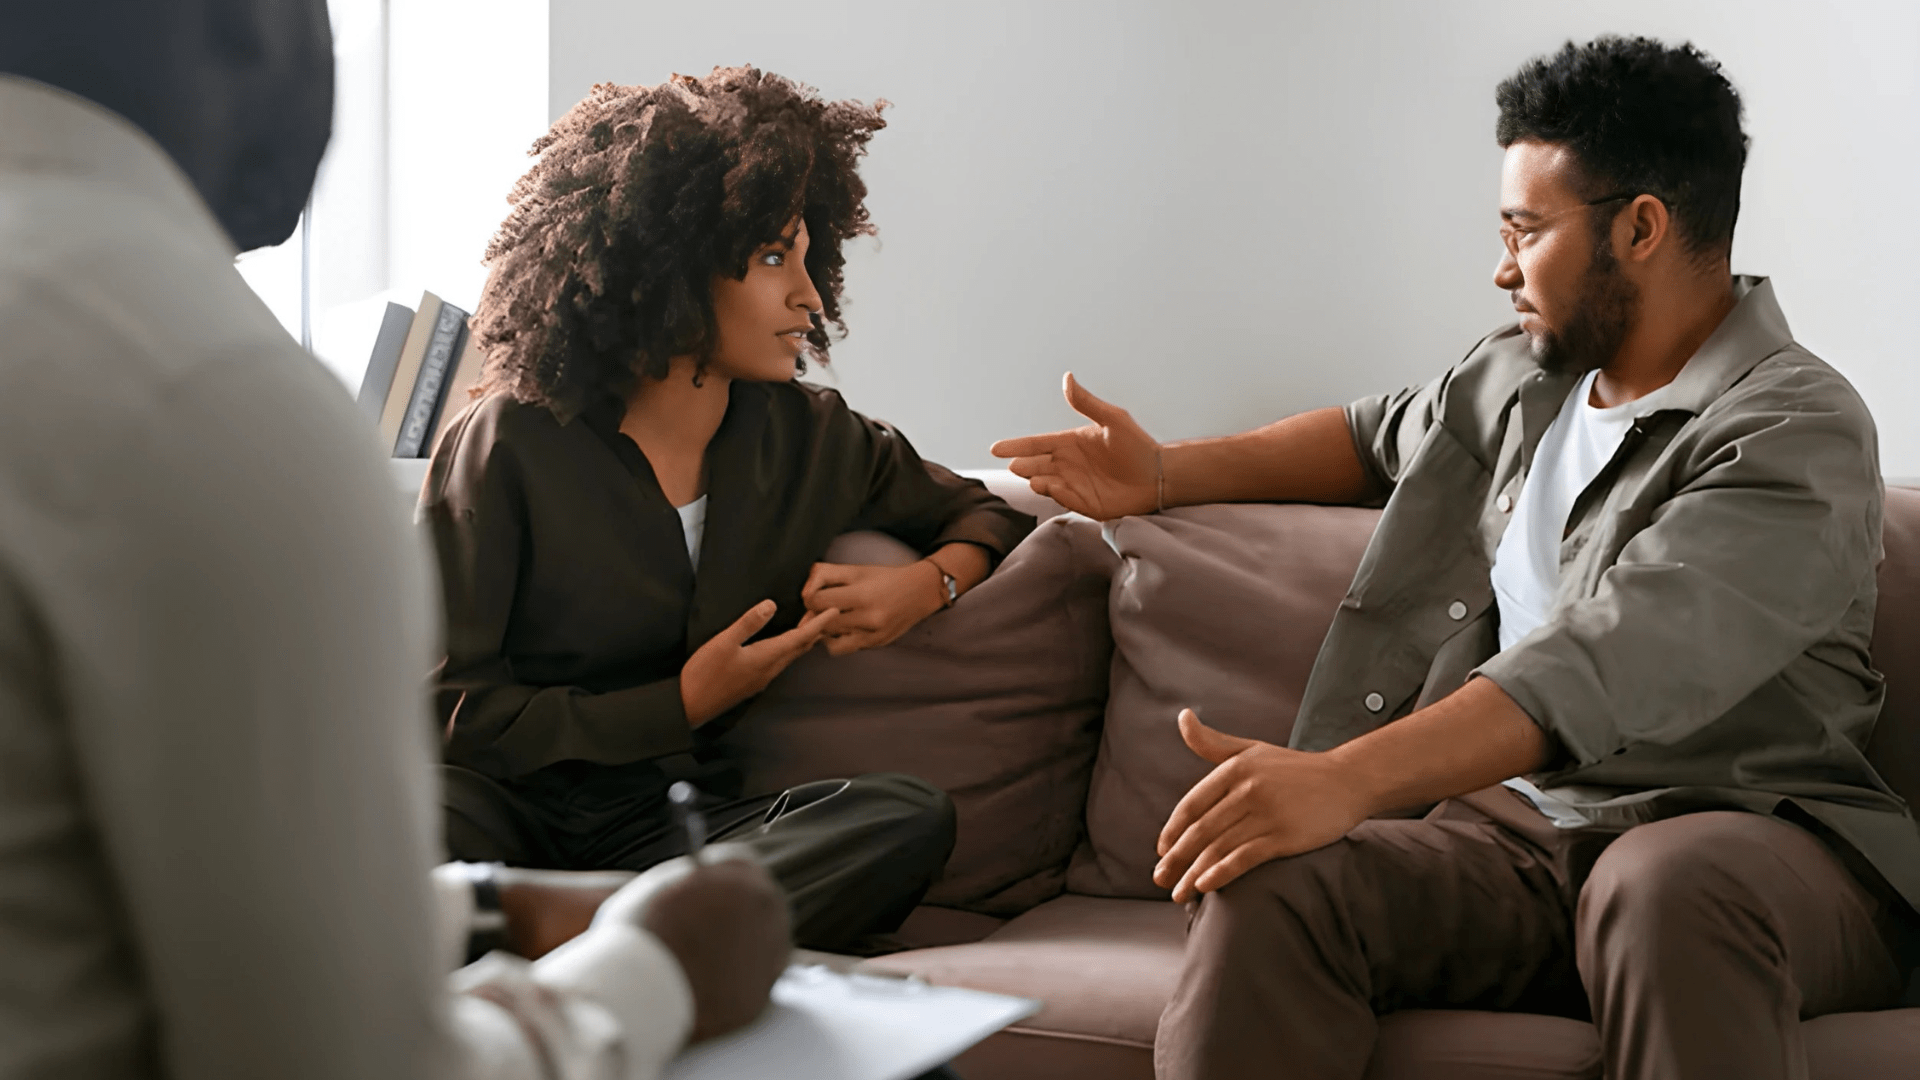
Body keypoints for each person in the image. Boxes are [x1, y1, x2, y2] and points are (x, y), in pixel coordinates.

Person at [994, 35, 1919, 1080]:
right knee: (1275, 880)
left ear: (1643, 227)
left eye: (1525, 231)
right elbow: (1373, 433)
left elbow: (1616, 655)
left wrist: (1344, 779)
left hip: (1750, 840)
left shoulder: (1796, 426)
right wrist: (1164, 475)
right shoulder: (1524, 377)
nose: (1501, 267)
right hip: (1520, 841)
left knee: (1663, 887)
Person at [0, 2, 792, 1077]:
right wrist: (657, 969)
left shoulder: (801, 435)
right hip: (512, 803)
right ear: (247, 25)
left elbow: (67, 900)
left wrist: (475, 912)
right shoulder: (207, 398)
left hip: (607, 835)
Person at [424, 67, 1035, 953]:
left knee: (904, 817)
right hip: (501, 818)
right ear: (671, 266)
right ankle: (660, 940)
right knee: (402, 831)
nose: (812, 298)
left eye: (807, 257)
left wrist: (929, 586)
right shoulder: (511, 440)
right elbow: (452, 711)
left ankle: (601, 933)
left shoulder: (814, 438)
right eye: (773, 258)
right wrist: (678, 703)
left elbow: (986, 514)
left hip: (670, 833)